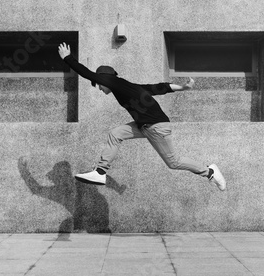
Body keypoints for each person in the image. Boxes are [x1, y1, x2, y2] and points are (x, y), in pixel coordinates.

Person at [58, 42, 226, 191]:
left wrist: (68, 58)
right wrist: (183, 88)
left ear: (104, 79)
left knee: (173, 162)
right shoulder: (128, 87)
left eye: (98, 84)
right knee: (116, 134)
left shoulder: (114, 82)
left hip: (156, 127)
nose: (99, 88)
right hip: (145, 126)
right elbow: (157, 88)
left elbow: (87, 73)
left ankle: (210, 172)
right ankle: (100, 172)